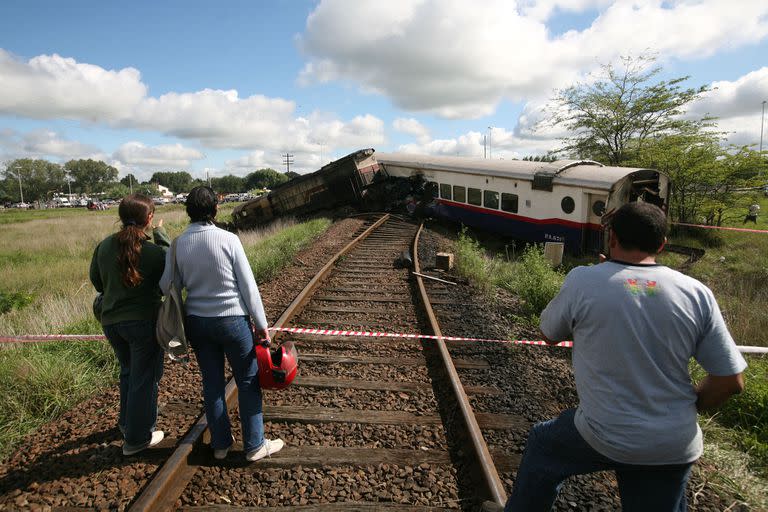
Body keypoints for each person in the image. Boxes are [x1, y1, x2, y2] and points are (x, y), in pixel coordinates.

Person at [505, 202, 746, 512]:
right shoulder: (696, 293)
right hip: (674, 442)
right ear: (662, 244)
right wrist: (685, 408)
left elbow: (549, 335)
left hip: (603, 433)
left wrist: (600, 280)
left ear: (612, 238)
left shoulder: (584, 281)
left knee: (543, 443)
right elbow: (731, 381)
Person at [160, 186, 283, 462]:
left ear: (188, 211)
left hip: (198, 324)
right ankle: (254, 445)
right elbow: (248, 286)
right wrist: (262, 324)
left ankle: (220, 444)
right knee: (248, 380)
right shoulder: (229, 239)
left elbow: (166, 285)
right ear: (215, 209)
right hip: (233, 322)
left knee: (212, 384)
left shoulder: (178, 244)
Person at [90, 193, 169, 456]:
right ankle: (136, 438)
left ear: (121, 218)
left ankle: (126, 424)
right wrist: (162, 236)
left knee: (128, 372)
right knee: (144, 379)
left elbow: (98, 283)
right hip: (143, 324)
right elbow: (168, 281)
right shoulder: (154, 251)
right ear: (149, 218)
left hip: (111, 323)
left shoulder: (103, 247)